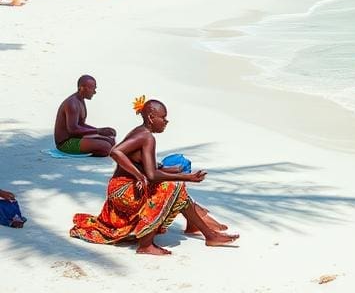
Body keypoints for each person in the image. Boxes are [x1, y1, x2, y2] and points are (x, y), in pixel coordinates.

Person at [70, 98, 238, 254]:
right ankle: (146, 245)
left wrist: (166, 172)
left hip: (124, 186)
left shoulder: (143, 134)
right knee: (175, 185)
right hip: (122, 189)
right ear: (151, 118)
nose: (166, 121)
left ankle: (208, 234)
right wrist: (187, 178)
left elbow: (146, 166)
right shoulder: (146, 136)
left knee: (176, 177)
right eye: (163, 117)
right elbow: (118, 154)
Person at [54, 75, 117, 156]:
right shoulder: (72, 104)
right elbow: (73, 129)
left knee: (111, 140)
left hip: (76, 137)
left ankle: (91, 147)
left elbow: (81, 125)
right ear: (82, 88)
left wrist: (100, 132)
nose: (94, 92)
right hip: (65, 144)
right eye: (92, 89)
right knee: (106, 147)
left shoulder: (80, 100)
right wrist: (98, 131)